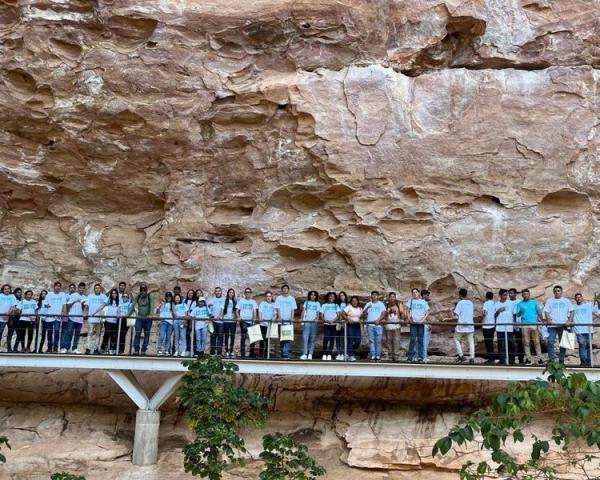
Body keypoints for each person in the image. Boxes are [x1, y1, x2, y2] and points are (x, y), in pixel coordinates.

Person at [543, 285, 574, 364]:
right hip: (553, 325)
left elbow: (572, 311)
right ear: (553, 292)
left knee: (563, 343)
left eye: (558, 291)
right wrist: (548, 319)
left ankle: (561, 360)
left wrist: (569, 321)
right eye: (555, 291)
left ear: (561, 291)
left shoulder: (566, 301)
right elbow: (546, 311)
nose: (557, 292)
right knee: (550, 341)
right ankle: (552, 359)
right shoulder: (550, 301)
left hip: (563, 325)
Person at [514, 289, 544, 365]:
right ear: (522, 295)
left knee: (536, 342)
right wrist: (521, 311)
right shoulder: (519, 304)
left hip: (534, 324)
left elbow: (539, 312)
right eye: (524, 294)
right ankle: (528, 359)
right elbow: (517, 315)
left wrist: (543, 321)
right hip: (524, 325)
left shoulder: (534, 302)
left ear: (529, 294)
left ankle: (540, 358)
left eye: (527, 294)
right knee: (526, 342)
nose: (526, 295)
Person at [60, 282, 87, 354]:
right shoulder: (73, 295)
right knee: (69, 333)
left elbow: (86, 308)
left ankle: (74, 348)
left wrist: (82, 305)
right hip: (72, 318)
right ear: (78, 288)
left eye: (83, 288)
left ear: (84, 289)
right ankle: (66, 348)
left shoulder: (85, 297)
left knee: (77, 334)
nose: (81, 289)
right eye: (80, 288)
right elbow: (68, 305)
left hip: (80, 319)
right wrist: (74, 302)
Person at [572, 293, 597, 367]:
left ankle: (589, 362)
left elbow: (597, 311)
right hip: (579, 330)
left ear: (582, 298)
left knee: (589, 346)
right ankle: (583, 362)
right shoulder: (573, 307)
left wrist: (597, 300)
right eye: (577, 297)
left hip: (589, 329)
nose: (578, 298)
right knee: (582, 345)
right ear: (575, 299)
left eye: (580, 297)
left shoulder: (588, 305)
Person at [406, 288, 429, 363]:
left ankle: (420, 357)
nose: (414, 294)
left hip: (420, 323)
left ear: (419, 293)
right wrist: (409, 318)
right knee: (412, 339)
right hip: (413, 323)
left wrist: (422, 320)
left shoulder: (423, 302)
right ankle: (410, 356)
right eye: (413, 292)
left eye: (416, 292)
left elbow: (427, 312)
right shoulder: (411, 300)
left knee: (420, 340)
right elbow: (408, 310)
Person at [84, 283, 108, 355]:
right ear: (94, 289)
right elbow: (87, 306)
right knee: (90, 333)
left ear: (101, 289)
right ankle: (88, 348)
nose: (97, 289)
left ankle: (95, 348)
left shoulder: (103, 296)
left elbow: (106, 305)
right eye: (96, 288)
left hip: (99, 318)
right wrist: (85, 312)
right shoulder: (90, 296)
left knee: (98, 334)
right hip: (91, 318)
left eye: (99, 288)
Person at [274, 285, 297, 359]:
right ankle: (282, 353)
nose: (285, 290)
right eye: (283, 288)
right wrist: (279, 317)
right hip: (281, 321)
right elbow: (277, 308)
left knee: (287, 338)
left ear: (288, 290)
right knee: (281, 338)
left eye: (286, 288)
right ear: (282, 290)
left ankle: (285, 354)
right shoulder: (279, 298)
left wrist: (292, 318)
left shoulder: (291, 299)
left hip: (288, 322)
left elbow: (293, 309)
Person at [44, 282, 68, 353]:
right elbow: (45, 304)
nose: (57, 287)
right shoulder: (49, 294)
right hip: (49, 317)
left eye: (59, 286)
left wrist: (63, 312)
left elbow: (64, 304)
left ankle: (55, 348)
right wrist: (51, 308)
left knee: (57, 332)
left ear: (60, 287)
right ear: (54, 287)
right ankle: (49, 348)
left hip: (57, 318)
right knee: (49, 333)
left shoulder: (62, 294)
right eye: (56, 286)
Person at [363, 291, 386, 361]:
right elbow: (363, 314)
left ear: (378, 296)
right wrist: (367, 308)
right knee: (371, 341)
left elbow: (384, 313)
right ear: (371, 296)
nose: (374, 296)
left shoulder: (381, 304)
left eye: (376, 295)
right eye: (373, 295)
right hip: (370, 325)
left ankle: (378, 355)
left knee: (378, 341)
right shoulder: (368, 304)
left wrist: (378, 320)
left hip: (378, 325)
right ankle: (373, 355)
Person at [132, 282, 153, 356]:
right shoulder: (138, 297)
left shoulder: (149, 296)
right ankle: (136, 350)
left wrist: (150, 314)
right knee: (137, 333)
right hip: (140, 317)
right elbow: (133, 305)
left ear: (146, 290)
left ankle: (144, 350)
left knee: (147, 334)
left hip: (148, 318)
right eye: (141, 290)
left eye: (144, 290)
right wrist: (128, 314)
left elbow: (152, 305)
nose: (143, 291)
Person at [454, 288, 475, 364]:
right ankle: (472, 357)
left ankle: (461, 355)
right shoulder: (470, 303)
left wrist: (454, 307)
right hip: (470, 324)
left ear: (460, 295)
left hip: (461, 325)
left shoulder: (460, 303)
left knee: (456, 339)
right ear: (466, 294)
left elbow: (456, 313)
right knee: (471, 341)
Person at [495, 289, 515, 365]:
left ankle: (511, 359)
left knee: (511, 343)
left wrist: (514, 324)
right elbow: (494, 315)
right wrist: (498, 311)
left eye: (506, 295)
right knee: (500, 344)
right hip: (500, 327)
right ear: (500, 295)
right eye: (504, 295)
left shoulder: (510, 303)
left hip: (509, 327)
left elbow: (514, 313)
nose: (505, 296)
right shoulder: (496, 304)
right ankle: (502, 359)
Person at [236, 288, 258, 357]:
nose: (247, 293)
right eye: (246, 292)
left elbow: (254, 311)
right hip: (243, 321)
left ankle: (251, 353)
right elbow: (237, 310)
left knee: (253, 338)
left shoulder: (253, 302)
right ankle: (242, 353)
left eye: (249, 292)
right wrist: (238, 317)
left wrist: (254, 319)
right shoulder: (241, 301)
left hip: (251, 321)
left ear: (251, 293)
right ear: (245, 293)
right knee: (243, 337)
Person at [300, 291, 320, 360]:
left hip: (313, 322)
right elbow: (303, 311)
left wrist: (317, 319)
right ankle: (305, 353)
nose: (313, 296)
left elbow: (318, 312)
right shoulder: (306, 302)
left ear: (316, 296)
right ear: (309, 296)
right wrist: (301, 318)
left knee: (312, 338)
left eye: (314, 295)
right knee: (305, 337)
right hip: (306, 321)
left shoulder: (317, 303)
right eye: (311, 295)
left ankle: (310, 354)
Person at [320, 292, 340, 361]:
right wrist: (325, 320)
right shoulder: (324, 305)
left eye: (333, 296)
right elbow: (321, 315)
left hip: (333, 325)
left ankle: (329, 354)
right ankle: (324, 353)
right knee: (326, 338)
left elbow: (338, 315)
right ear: (328, 297)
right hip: (326, 324)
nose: (331, 297)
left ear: (334, 298)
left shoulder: (336, 305)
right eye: (330, 296)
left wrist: (332, 320)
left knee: (332, 339)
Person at [342, 296, 363, 361]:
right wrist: (348, 318)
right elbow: (342, 314)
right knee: (350, 340)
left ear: (357, 301)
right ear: (351, 302)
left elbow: (362, 316)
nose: (354, 302)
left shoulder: (360, 308)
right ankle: (350, 355)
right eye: (353, 301)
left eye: (355, 301)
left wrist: (361, 320)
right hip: (350, 325)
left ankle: (349, 352)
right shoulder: (349, 307)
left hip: (357, 325)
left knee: (358, 341)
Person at [384, 292, 402, 362]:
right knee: (389, 340)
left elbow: (402, 312)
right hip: (388, 324)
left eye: (393, 296)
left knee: (396, 340)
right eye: (391, 296)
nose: (392, 298)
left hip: (396, 324)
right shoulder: (386, 305)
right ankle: (390, 355)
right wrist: (388, 312)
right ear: (389, 298)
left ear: (395, 297)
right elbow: (384, 314)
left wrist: (402, 319)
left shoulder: (398, 304)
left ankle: (396, 355)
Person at [508, 288, 524, 364]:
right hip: (509, 325)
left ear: (515, 294)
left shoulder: (519, 302)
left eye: (511, 293)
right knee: (510, 342)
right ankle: (511, 358)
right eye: (509, 293)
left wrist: (516, 323)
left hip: (518, 325)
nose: (510, 295)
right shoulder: (507, 302)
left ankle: (521, 358)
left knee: (519, 341)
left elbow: (519, 313)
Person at [101, 288, 120, 354]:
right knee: (107, 333)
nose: (114, 294)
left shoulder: (119, 302)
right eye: (112, 293)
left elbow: (120, 310)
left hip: (115, 321)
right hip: (108, 320)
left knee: (113, 335)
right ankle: (103, 347)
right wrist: (109, 296)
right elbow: (103, 304)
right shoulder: (109, 300)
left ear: (117, 294)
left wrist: (119, 314)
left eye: (115, 293)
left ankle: (111, 349)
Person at [258, 291, 276, 358]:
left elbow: (275, 314)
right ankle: (260, 355)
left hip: (270, 325)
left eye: (270, 296)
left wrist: (273, 319)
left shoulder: (274, 304)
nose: (268, 297)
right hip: (262, 324)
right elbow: (260, 312)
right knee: (262, 340)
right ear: (266, 297)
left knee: (268, 341)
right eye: (267, 296)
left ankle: (266, 355)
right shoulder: (262, 303)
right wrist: (260, 318)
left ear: (272, 297)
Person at [208, 287, 225, 355]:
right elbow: (207, 309)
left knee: (220, 337)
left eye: (219, 291)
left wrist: (220, 316)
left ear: (221, 292)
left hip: (221, 321)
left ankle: (219, 352)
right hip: (213, 321)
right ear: (215, 292)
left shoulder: (224, 299)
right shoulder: (212, 300)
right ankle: (212, 352)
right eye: (216, 291)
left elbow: (223, 308)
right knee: (213, 336)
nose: (218, 292)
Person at [0, 284, 19, 348]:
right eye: (5, 289)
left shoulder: (12, 296)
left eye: (8, 289)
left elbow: (13, 306)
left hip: (5, 318)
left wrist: (8, 312)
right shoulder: (0, 295)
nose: (7, 290)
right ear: (3, 289)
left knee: (0, 332)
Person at [156, 292, 174, 356]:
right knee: (162, 336)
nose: (168, 297)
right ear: (165, 297)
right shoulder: (163, 304)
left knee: (168, 337)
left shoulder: (172, 304)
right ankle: (159, 350)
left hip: (170, 323)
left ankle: (166, 350)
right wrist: (160, 306)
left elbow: (174, 313)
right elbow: (156, 311)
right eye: (167, 296)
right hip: (163, 321)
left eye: (170, 296)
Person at [6, 287, 22, 352]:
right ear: (15, 293)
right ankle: (9, 348)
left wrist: (18, 311)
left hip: (18, 318)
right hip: (12, 318)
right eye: (18, 292)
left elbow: (19, 310)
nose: (19, 294)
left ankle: (15, 348)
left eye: (20, 293)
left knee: (19, 334)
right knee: (10, 333)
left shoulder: (20, 301)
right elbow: (12, 309)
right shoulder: (11, 299)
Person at [222, 288, 237, 357]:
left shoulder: (235, 302)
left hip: (233, 321)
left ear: (234, 294)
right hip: (226, 320)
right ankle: (226, 350)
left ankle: (231, 350)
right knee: (226, 336)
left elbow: (237, 310)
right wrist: (220, 316)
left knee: (233, 336)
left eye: (232, 293)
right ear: (228, 293)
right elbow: (222, 309)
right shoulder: (225, 301)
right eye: (230, 292)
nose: (231, 294)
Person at [482, 291, 496, 364]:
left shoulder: (486, 303)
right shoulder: (494, 303)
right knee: (491, 342)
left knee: (488, 342)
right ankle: (492, 358)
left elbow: (484, 313)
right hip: (493, 325)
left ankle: (490, 359)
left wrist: (482, 320)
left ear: (486, 297)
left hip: (486, 325)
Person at [334, 291, 348, 360]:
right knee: (338, 338)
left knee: (343, 338)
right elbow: (337, 313)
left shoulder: (348, 304)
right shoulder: (337, 304)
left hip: (345, 322)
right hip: (338, 322)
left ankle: (343, 353)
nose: (342, 297)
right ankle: (339, 353)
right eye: (340, 296)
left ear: (345, 296)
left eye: (343, 295)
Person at [421, 289, 432, 362]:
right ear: (424, 295)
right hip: (425, 323)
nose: (429, 296)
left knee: (422, 340)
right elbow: (426, 314)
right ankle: (424, 357)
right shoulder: (423, 302)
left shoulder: (421, 302)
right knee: (425, 340)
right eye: (427, 295)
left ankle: (420, 356)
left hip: (423, 323)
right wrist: (429, 323)